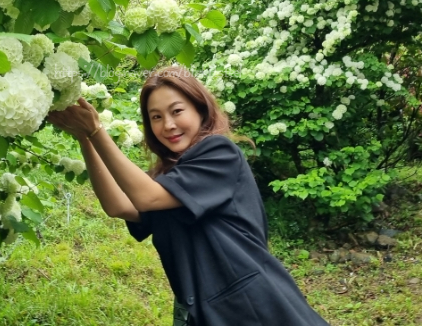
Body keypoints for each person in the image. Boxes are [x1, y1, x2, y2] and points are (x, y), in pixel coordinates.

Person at [47, 66, 329, 326]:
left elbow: (147, 198)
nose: (167, 124)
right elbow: (118, 205)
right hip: (204, 313)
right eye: (156, 117)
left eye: (177, 111)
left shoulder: (220, 153)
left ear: (200, 109)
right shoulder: (169, 178)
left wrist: (97, 131)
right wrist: (84, 138)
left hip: (254, 308)